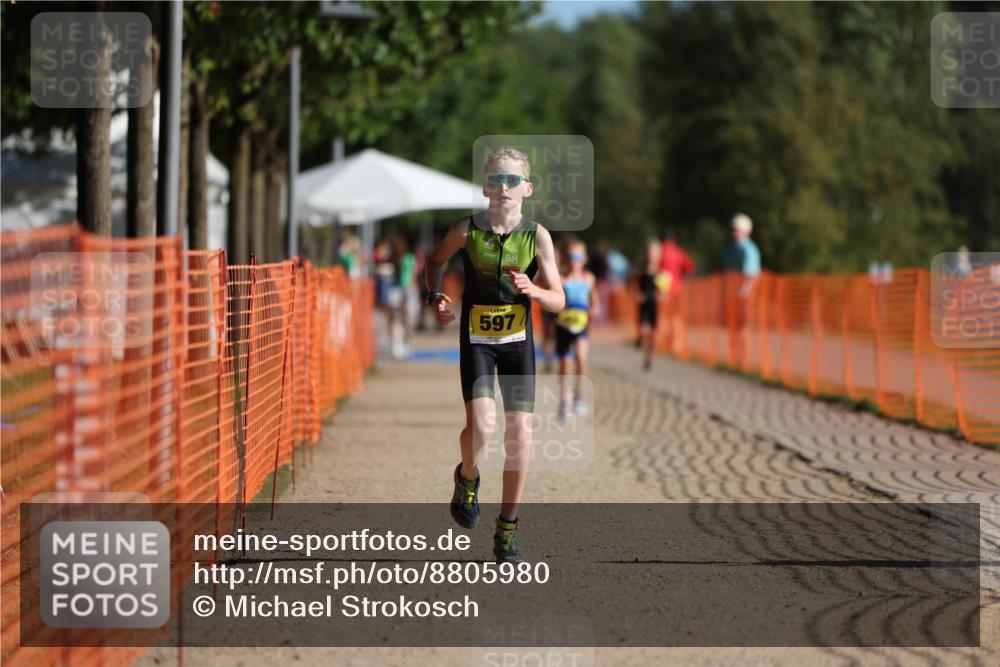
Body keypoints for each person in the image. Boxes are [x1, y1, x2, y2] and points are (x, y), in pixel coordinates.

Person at [423, 146, 564, 563]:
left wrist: (534, 291)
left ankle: (507, 528)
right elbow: (434, 262)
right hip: (478, 340)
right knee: (482, 428)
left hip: (518, 344)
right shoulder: (466, 230)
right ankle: (467, 475)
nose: (504, 187)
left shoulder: (536, 235)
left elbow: (558, 299)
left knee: (520, 435)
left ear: (527, 188)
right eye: (496, 180)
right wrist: (436, 297)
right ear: (485, 187)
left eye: (512, 180)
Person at [555, 240, 599, 421]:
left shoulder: (589, 279)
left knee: (581, 359)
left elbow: (594, 300)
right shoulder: (561, 279)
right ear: (567, 259)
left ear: (585, 259)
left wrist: (595, 309)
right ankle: (563, 402)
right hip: (563, 326)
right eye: (572, 257)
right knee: (566, 366)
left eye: (579, 257)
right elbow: (554, 300)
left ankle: (578, 397)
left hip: (581, 326)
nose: (575, 261)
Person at [721, 213, 761, 368]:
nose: (733, 232)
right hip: (733, 296)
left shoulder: (748, 250)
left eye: (736, 229)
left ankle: (744, 359)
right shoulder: (731, 249)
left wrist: (744, 295)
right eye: (732, 229)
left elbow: (750, 276)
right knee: (733, 327)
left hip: (744, 297)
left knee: (744, 327)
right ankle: (734, 357)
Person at [659, 228, 696, 353]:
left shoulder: (660, 251)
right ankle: (677, 342)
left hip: (663, 289)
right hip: (677, 288)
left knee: (663, 316)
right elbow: (690, 267)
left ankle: (664, 341)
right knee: (676, 316)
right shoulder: (678, 251)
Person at [636, 240, 663, 371]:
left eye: (654, 254)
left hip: (655, 306)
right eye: (649, 253)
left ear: (658, 256)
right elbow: (634, 288)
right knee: (643, 331)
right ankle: (640, 341)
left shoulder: (661, 273)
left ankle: (649, 358)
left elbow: (664, 290)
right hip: (644, 306)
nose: (651, 256)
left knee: (653, 336)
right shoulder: (641, 272)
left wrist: (662, 296)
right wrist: (637, 295)